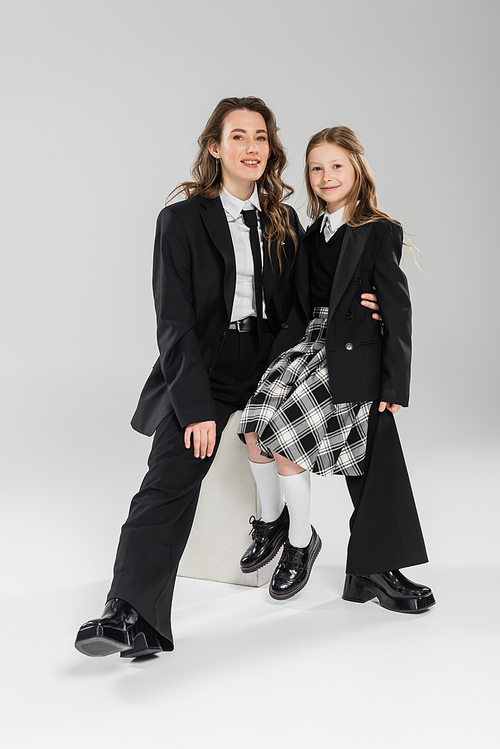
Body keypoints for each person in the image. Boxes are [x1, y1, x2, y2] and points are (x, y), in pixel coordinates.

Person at [74, 100, 381, 659]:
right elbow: (174, 322)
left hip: (270, 359)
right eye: (238, 136)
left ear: (270, 149)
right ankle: (131, 615)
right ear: (215, 148)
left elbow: (313, 296)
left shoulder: (282, 222)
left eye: (261, 137)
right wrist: (193, 408)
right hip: (204, 368)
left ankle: (333, 551)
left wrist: (368, 308)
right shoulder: (182, 220)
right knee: (171, 474)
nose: (252, 147)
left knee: (345, 429)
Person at [238, 126, 435, 613]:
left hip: (351, 356)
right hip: (309, 345)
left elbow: (398, 310)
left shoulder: (377, 230)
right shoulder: (310, 235)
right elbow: (303, 306)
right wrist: (270, 364)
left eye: (336, 166)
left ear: (357, 170)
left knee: (292, 443)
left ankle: (304, 547)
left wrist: (394, 384)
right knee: (253, 429)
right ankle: (272, 523)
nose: (326, 176)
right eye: (316, 168)